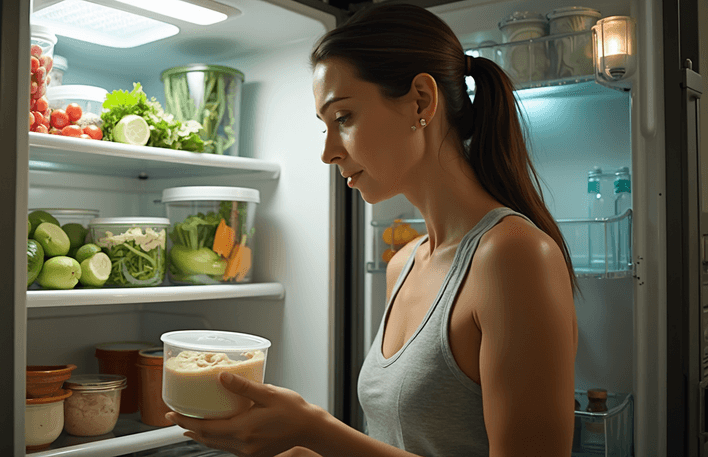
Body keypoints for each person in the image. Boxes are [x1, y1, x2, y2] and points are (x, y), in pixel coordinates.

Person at [166, 4, 579, 456]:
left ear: (421, 100)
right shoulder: (403, 263)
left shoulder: (513, 255)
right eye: (324, 126)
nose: (328, 152)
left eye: (343, 118)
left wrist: (317, 431)